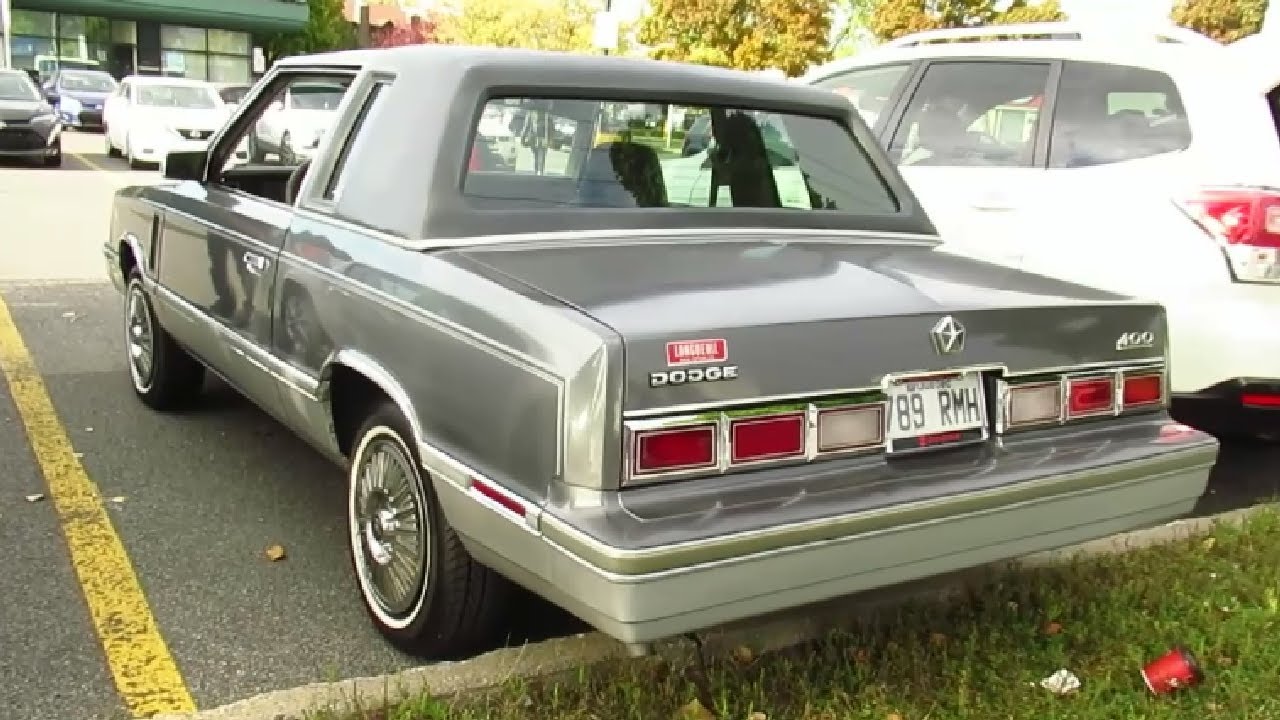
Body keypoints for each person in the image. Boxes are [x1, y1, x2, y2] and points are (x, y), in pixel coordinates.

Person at [522, 109, 549, 174]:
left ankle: (539, 171)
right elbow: (526, 126)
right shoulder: (532, 112)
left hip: (542, 137)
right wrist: (523, 137)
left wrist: (523, 137)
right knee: (537, 156)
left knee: (540, 156)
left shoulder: (546, 113)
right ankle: (537, 171)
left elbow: (526, 126)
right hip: (535, 137)